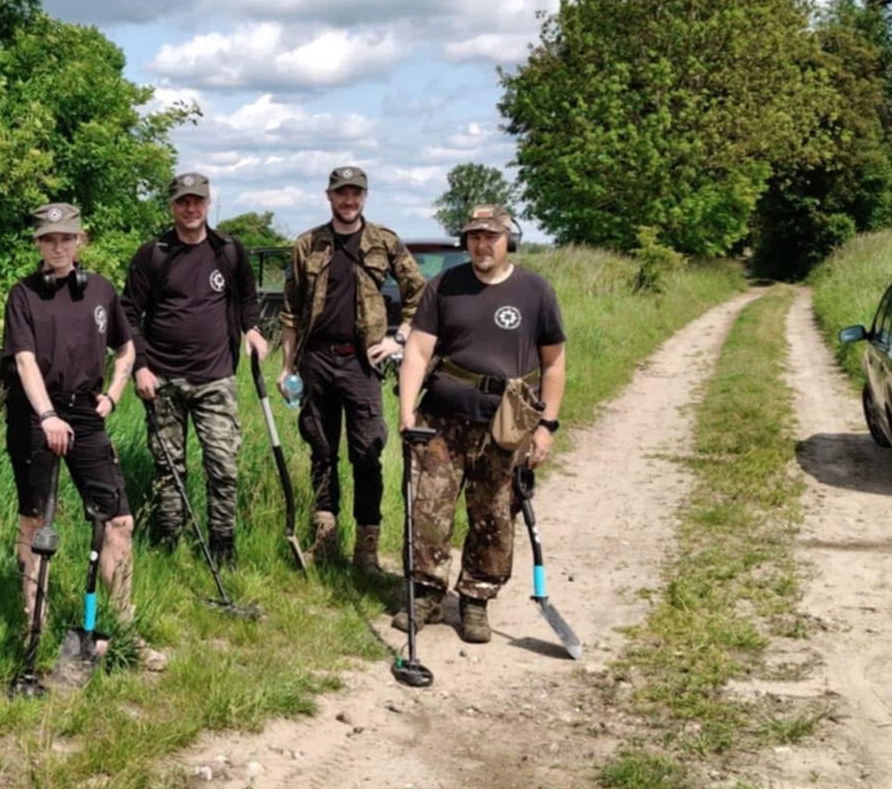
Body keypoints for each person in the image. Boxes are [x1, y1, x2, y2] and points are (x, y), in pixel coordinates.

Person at [394, 205, 566, 644]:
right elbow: (416, 351)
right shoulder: (445, 286)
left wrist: (546, 426)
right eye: (474, 236)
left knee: (493, 514)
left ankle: (475, 599)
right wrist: (407, 411)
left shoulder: (536, 291)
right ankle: (427, 595)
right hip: (442, 418)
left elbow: (553, 365)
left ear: (508, 238)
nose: (482, 244)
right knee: (428, 509)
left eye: (490, 236)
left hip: (505, 422)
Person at [2, 203, 162, 669]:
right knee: (35, 522)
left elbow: (128, 347)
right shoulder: (23, 295)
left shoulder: (101, 292)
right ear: (38, 244)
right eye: (49, 239)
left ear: (80, 241)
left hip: (88, 411)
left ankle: (123, 628)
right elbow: (24, 362)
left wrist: (113, 394)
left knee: (119, 521)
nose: (58, 246)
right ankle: (32, 625)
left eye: (66, 238)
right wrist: (48, 415)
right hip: (36, 413)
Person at [277, 165, 425, 571]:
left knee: (366, 454)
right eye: (342, 193)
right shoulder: (308, 244)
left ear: (365, 196)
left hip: (362, 363)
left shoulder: (384, 241)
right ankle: (324, 541)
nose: (349, 200)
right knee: (321, 452)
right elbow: (290, 312)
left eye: (356, 193)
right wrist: (288, 366)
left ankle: (366, 549)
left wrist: (399, 337)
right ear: (329, 196)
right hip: (317, 361)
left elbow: (419, 293)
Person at [123, 172, 268, 560]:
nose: (191, 208)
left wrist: (251, 330)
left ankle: (222, 547)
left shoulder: (229, 251)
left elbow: (247, 301)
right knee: (168, 469)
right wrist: (140, 366)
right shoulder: (153, 254)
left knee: (223, 467)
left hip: (216, 378)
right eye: (183, 202)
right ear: (172, 206)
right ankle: (170, 544)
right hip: (163, 379)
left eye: (198, 201)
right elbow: (129, 314)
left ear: (208, 203)